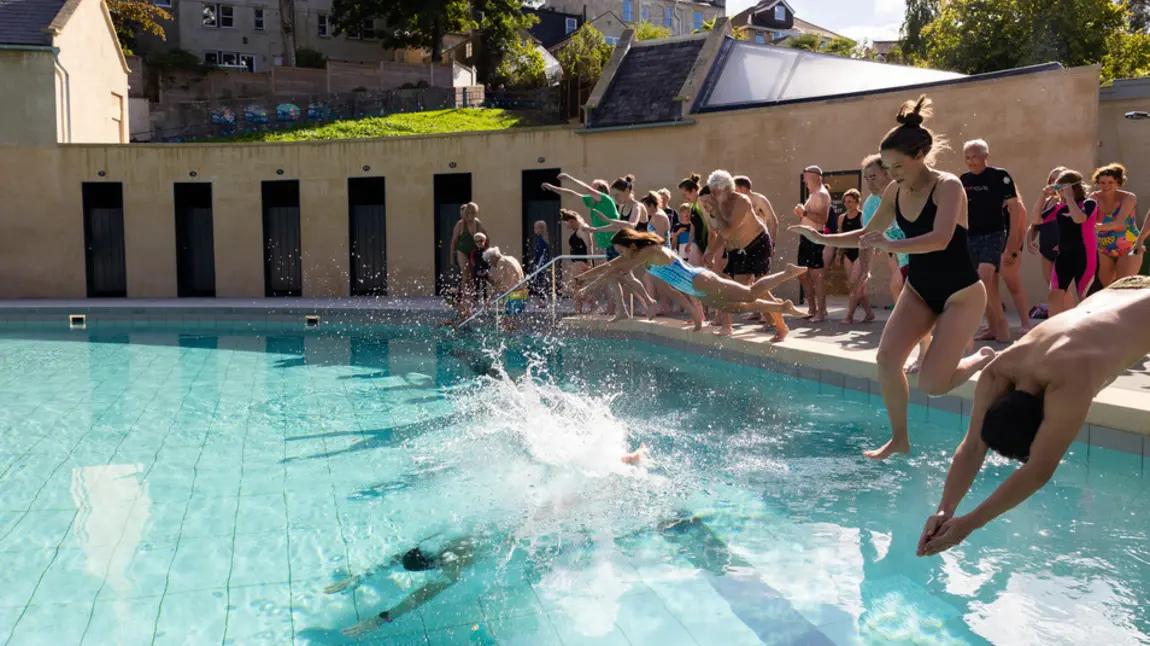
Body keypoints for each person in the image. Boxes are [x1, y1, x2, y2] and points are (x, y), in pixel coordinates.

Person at [792, 95, 995, 460]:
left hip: (961, 294)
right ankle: (899, 439)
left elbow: (942, 238)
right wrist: (821, 237)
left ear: (920, 156)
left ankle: (980, 358)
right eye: (887, 167)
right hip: (920, 289)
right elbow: (868, 233)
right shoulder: (894, 191)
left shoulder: (948, 186)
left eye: (897, 166)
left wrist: (888, 242)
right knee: (887, 361)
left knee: (933, 385)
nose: (892, 174)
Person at [917, 274, 1150, 556]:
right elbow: (973, 446)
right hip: (1128, 287)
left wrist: (968, 525)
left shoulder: (1069, 383)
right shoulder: (1001, 367)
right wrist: (945, 509)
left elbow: (1039, 470)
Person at [574, 229, 808, 329]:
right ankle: (782, 306)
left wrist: (588, 283)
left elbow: (617, 267)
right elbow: (613, 266)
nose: (621, 254)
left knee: (748, 294)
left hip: (701, 280)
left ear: (631, 245)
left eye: (622, 249)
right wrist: (584, 278)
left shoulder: (647, 252)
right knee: (736, 309)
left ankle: (786, 272)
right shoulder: (641, 256)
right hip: (696, 288)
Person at [542, 175, 652, 320]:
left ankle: (648, 302)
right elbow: (572, 194)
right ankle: (622, 311)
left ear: (599, 192)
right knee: (614, 279)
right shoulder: (592, 202)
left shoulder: (605, 200)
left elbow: (584, 189)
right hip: (610, 245)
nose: (589, 191)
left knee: (627, 278)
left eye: (593, 188)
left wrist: (569, 177)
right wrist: (553, 188)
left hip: (617, 245)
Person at [707, 170, 790, 340]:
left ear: (726, 189)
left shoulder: (742, 201)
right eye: (712, 191)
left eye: (715, 191)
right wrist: (711, 252)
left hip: (757, 244)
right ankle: (727, 326)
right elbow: (722, 234)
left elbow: (728, 231)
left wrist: (715, 209)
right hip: (737, 249)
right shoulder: (721, 204)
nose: (712, 195)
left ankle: (781, 325)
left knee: (757, 289)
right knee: (734, 288)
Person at [960, 140, 1025, 343]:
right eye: (967, 158)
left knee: (985, 275)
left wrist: (1013, 242)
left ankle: (1003, 324)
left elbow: (1015, 209)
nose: (971, 161)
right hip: (971, 236)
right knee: (984, 284)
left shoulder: (999, 176)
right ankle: (992, 326)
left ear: (986, 155)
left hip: (994, 234)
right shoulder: (964, 179)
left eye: (975, 157)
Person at [1045, 170, 1099, 316]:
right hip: (1064, 255)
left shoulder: (1089, 203)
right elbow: (1037, 220)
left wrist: (1069, 198)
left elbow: (1079, 219)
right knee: (1054, 294)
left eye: (1060, 188)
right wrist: (1042, 197)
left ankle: (1088, 330)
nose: (1058, 192)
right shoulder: (1059, 207)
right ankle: (1053, 331)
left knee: (1084, 296)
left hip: (1084, 255)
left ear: (1072, 188)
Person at [1090, 163, 1142, 287]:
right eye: (1102, 182)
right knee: (1104, 289)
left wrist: (1098, 227)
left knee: (1124, 287)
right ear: (1097, 183)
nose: (1106, 186)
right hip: (1103, 248)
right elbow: (1086, 219)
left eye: (1110, 182)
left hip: (1129, 247)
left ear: (1118, 182)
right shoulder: (1093, 198)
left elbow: (1119, 223)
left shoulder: (1128, 197)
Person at [793, 165, 831, 322]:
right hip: (806, 238)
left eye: (806, 177)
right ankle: (812, 308)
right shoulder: (813, 194)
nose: (804, 180)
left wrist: (804, 212)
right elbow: (809, 218)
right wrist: (801, 215)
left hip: (814, 238)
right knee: (802, 274)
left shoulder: (821, 194)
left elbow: (823, 220)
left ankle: (821, 312)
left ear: (814, 177)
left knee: (817, 276)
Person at [1026, 166, 1067, 295]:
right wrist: (1029, 240)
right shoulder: (1046, 202)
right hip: (1046, 249)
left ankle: (1066, 312)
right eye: (1052, 180)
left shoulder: (1070, 202)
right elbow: (1034, 223)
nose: (1055, 183)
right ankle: (1057, 312)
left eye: (1059, 180)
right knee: (1051, 286)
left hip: (1064, 249)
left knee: (1061, 287)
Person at [835, 189, 874, 325]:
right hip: (847, 254)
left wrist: (868, 256)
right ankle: (869, 314)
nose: (847, 204)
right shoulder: (842, 218)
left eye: (850, 202)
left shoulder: (863, 217)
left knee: (853, 283)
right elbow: (840, 237)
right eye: (845, 202)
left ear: (857, 202)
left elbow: (867, 237)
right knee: (856, 288)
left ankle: (849, 316)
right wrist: (839, 254)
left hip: (860, 253)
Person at [479, 246, 527, 332]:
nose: (491, 264)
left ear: (493, 257)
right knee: (510, 323)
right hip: (522, 293)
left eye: (489, 261)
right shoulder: (511, 258)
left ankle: (510, 343)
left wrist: (489, 300)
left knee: (508, 325)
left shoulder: (501, 262)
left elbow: (498, 283)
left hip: (514, 295)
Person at [449, 203, 486, 311]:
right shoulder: (460, 224)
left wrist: (486, 252)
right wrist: (452, 256)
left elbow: (486, 237)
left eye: (472, 212)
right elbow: (454, 241)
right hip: (462, 251)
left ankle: (472, 298)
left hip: (474, 252)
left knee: (473, 275)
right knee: (465, 274)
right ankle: (465, 298)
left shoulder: (478, 223)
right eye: (468, 212)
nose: (470, 214)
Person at [679, 173, 715, 271]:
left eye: (685, 194)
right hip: (699, 243)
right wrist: (690, 242)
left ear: (694, 190)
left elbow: (711, 227)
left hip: (709, 243)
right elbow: (693, 225)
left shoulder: (701, 202)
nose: (684, 198)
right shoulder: (691, 204)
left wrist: (709, 248)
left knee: (714, 273)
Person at [562, 210, 592, 314]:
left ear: (572, 221)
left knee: (575, 286)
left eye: (566, 222)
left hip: (580, 262)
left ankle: (581, 310)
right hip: (579, 262)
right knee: (579, 286)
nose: (565, 224)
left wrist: (590, 263)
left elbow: (589, 245)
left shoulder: (581, 229)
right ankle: (585, 309)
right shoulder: (580, 229)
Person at [529, 220, 552, 304]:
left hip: (541, 263)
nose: (534, 229)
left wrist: (534, 260)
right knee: (540, 282)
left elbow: (539, 252)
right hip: (542, 263)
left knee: (540, 282)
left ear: (541, 229)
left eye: (536, 228)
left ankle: (542, 301)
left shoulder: (541, 240)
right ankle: (542, 300)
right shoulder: (542, 239)